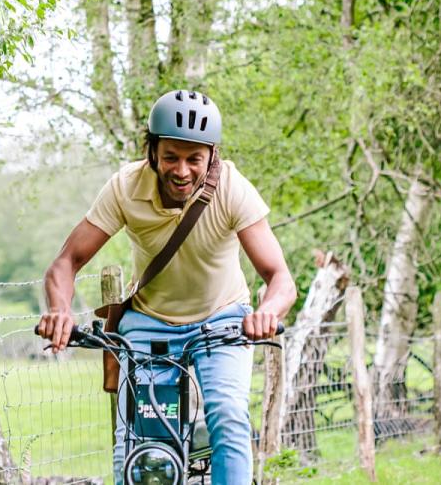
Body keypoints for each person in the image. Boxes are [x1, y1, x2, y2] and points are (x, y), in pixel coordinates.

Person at [36, 90, 297, 484]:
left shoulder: (232, 188)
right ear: (153, 151)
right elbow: (66, 263)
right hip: (150, 320)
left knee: (228, 416)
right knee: (138, 439)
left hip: (222, 319)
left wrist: (267, 313)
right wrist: (59, 310)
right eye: (171, 157)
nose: (182, 171)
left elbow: (280, 278)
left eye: (194, 159)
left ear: (211, 155)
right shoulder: (125, 187)